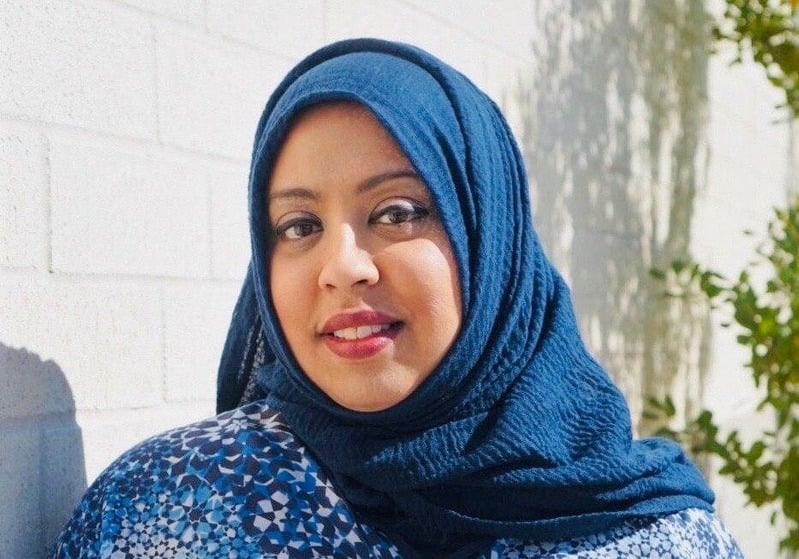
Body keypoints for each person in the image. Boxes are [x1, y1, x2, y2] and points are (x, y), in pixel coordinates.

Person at [53, 38, 743, 558]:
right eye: (299, 226)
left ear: (488, 234)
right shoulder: (171, 505)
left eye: (397, 212)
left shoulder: (659, 536)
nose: (342, 267)